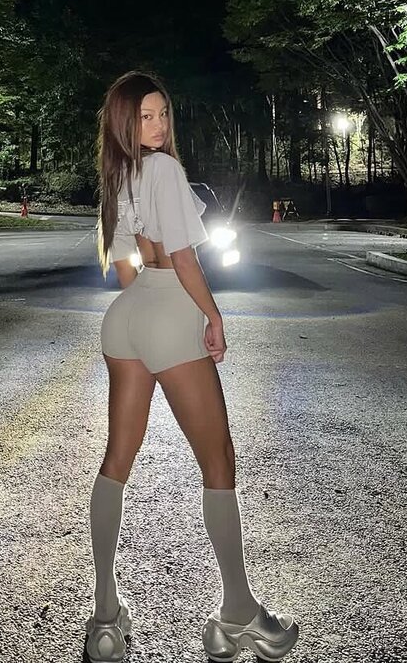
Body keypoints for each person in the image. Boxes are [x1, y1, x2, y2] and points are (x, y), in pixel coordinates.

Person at [85, 70, 299, 663]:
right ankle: (237, 612)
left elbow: (124, 267)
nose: (158, 126)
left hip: (125, 316)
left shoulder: (116, 177)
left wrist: (148, 302)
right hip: (170, 312)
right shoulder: (166, 171)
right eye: (145, 117)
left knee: (116, 460)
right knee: (218, 460)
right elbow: (182, 258)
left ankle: (106, 618)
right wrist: (212, 316)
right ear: (124, 122)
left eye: (163, 114)